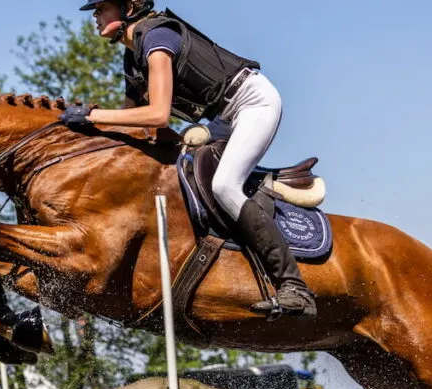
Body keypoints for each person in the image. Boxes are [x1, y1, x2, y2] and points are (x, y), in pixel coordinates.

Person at [66, 1, 316, 318]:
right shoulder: (133, 57)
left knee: (225, 186)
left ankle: (295, 287)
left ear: (128, 7)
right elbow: (131, 122)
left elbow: (157, 115)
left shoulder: (156, 37)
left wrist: (93, 116)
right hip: (222, 116)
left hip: (252, 103)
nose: (94, 16)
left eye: (101, 8)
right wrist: (76, 132)